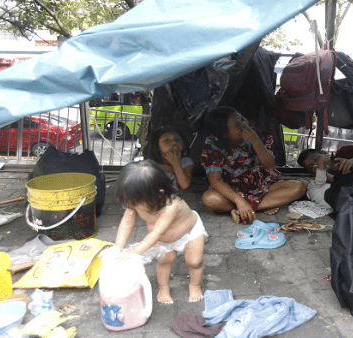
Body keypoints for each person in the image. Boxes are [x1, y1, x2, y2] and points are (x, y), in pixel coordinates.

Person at [114, 160, 208, 304]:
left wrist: (135, 251)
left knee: (194, 261)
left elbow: (156, 233)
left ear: (158, 195)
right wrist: (118, 247)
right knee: (165, 261)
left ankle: (194, 286)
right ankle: (163, 288)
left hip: (190, 232)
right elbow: (127, 222)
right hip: (164, 240)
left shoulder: (171, 205)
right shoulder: (135, 201)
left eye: (135, 201)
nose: (131, 205)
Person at [201, 106, 307, 224]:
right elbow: (216, 181)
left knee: (299, 187)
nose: (244, 125)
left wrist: (255, 141)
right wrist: (239, 200)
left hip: (262, 186)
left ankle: (242, 209)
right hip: (233, 190)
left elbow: (269, 164)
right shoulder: (213, 144)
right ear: (224, 134)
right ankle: (252, 206)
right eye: (237, 125)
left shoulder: (260, 135)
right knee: (209, 199)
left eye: (242, 118)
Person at [146, 126, 194, 193]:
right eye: (167, 140)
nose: (174, 143)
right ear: (157, 146)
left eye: (177, 139)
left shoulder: (186, 162)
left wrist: (176, 163)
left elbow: (185, 185)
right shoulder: (151, 165)